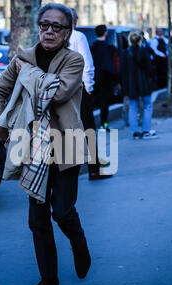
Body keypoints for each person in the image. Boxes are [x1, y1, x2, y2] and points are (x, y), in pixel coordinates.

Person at [0, 3, 91, 285]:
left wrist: (29, 74)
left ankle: (78, 240)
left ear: (67, 32)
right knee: (37, 217)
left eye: (56, 27)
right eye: (44, 25)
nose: (49, 31)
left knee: (62, 211)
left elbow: (56, 92)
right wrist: (1, 128)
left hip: (66, 143)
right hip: (31, 144)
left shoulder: (73, 61)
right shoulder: (22, 57)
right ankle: (49, 278)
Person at [68, 8, 112, 181]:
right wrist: (89, 86)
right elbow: (87, 64)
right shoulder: (78, 37)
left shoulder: (57, 38)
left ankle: (70, 168)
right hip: (79, 89)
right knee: (88, 128)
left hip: (61, 90)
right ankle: (94, 169)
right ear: (75, 21)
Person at [120, 31, 158, 140]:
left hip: (131, 84)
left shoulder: (125, 53)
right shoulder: (143, 51)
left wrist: (124, 86)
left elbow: (123, 71)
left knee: (133, 107)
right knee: (148, 106)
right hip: (143, 83)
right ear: (140, 40)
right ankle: (146, 130)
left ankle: (135, 132)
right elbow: (150, 68)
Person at [91, 24, 117, 130]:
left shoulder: (92, 47)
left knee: (92, 102)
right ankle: (104, 124)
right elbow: (113, 64)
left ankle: (91, 125)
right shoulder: (109, 48)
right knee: (104, 103)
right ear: (105, 33)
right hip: (106, 78)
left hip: (94, 77)